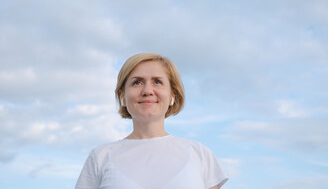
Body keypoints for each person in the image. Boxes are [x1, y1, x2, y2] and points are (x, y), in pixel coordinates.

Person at [75, 53, 228, 189]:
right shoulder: (100, 156)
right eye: (137, 82)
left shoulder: (200, 154)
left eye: (157, 82)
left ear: (172, 95)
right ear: (122, 97)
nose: (147, 91)